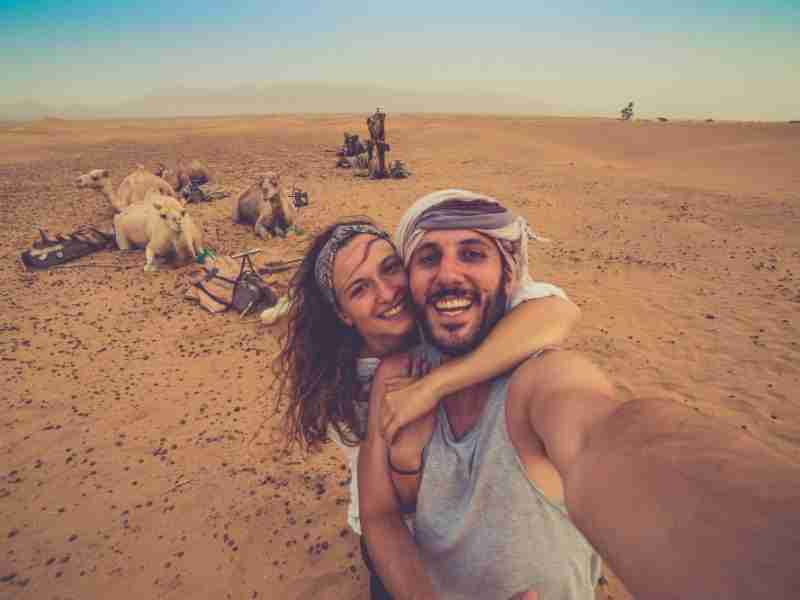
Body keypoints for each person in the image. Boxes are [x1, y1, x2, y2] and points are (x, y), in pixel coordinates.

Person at [359, 190, 800, 600]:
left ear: (509, 275)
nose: (449, 274)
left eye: (473, 255)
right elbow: (378, 515)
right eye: (428, 258)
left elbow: (605, 436)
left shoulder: (540, 378)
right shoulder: (400, 378)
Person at [273, 215, 581, 599]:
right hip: (402, 528)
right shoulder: (344, 391)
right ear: (342, 313)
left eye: (390, 268)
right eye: (359, 289)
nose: (387, 293)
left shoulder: (442, 312)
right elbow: (390, 507)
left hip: (462, 520)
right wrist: (407, 456)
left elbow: (557, 312)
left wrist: (434, 386)